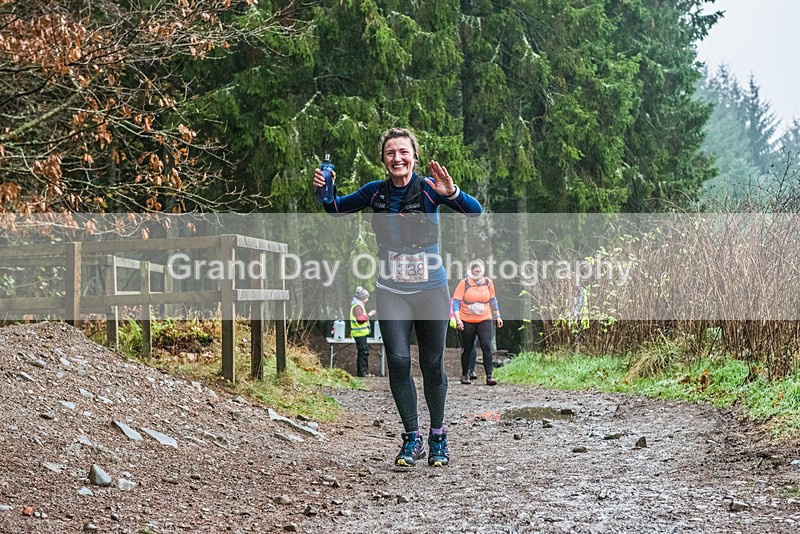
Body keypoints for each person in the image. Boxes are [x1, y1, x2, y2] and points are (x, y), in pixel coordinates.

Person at [313, 127, 481, 468]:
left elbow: (475, 212)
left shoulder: (432, 190)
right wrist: (323, 193)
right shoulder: (374, 193)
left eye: (403, 152)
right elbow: (334, 208)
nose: (397, 158)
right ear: (384, 160)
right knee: (400, 361)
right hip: (391, 291)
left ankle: (438, 436)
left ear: (414, 157)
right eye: (391, 153)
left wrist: (455, 193)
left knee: (432, 364)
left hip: (432, 290)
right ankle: (411, 438)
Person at [452, 259, 503, 385]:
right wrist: (458, 319)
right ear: (471, 272)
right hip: (467, 319)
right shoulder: (464, 283)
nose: (477, 273)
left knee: (486, 345)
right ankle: (465, 374)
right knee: (468, 347)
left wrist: (498, 316)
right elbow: (456, 302)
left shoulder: (488, 282)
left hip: (485, 317)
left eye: (479, 271)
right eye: (475, 271)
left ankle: (489, 376)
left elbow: (493, 300)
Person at [350, 286, 376, 377]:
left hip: (361, 333)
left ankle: (364, 372)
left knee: (364, 352)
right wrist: (370, 314)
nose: (367, 299)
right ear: (362, 298)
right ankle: (362, 373)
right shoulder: (357, 307)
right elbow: (360, 320)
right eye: (366, 297)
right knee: (363, 352)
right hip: (359, 333)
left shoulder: (358, 306)